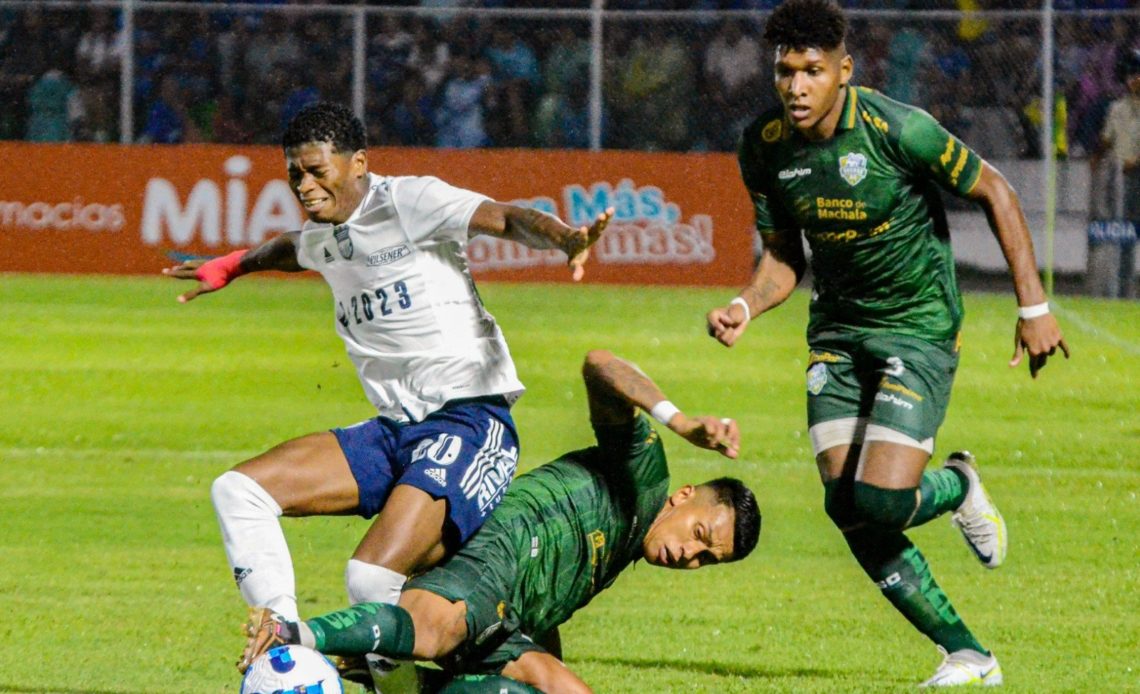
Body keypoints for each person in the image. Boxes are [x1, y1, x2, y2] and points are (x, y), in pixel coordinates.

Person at [164, 101, 612, 686]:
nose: (304, 185)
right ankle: (280, 638)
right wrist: (233, 265)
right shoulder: (323, 235)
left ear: (358, 163)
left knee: (370, 577)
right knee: (238, 490)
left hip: (470, 422)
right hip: (395, 430)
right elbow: (290, 249)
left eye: (317, 170)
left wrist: (564, 238)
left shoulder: (409, 201)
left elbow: (503, 218)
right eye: (295, 173)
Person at [705, 0, 1068, 687]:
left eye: (812, 71)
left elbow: (995, 189)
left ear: (844, 71)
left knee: (878, 500)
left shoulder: (898, 129)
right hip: (837, 333)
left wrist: (1034, 307)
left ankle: (957, 485)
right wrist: (745, 304)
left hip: (917, 327)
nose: (796, 87)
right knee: (846, 505)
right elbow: (784, 256)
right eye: (785, 71)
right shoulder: (764, 145)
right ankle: (968, 654)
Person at [237, 348, 761, 693]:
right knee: (433, 631)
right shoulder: (645, 475)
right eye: (699, 535)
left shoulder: (626, 546)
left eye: (705, 559)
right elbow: (601, 365)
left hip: (506, 619)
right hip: (492, 553)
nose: (688, 554)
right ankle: (291, 633)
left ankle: (387, 674)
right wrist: (678, 420)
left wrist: (543, 662)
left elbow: (550, 590)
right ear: (684, 497)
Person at [1087, 46, 1140, 298]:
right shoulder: (1117, 109)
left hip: (1136, 173)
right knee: (1124, 234)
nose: (1135, 79)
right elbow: (1107, 140)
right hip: (1121, 179)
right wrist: (1097, 160)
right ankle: (1122, 288)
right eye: (1132, 75)